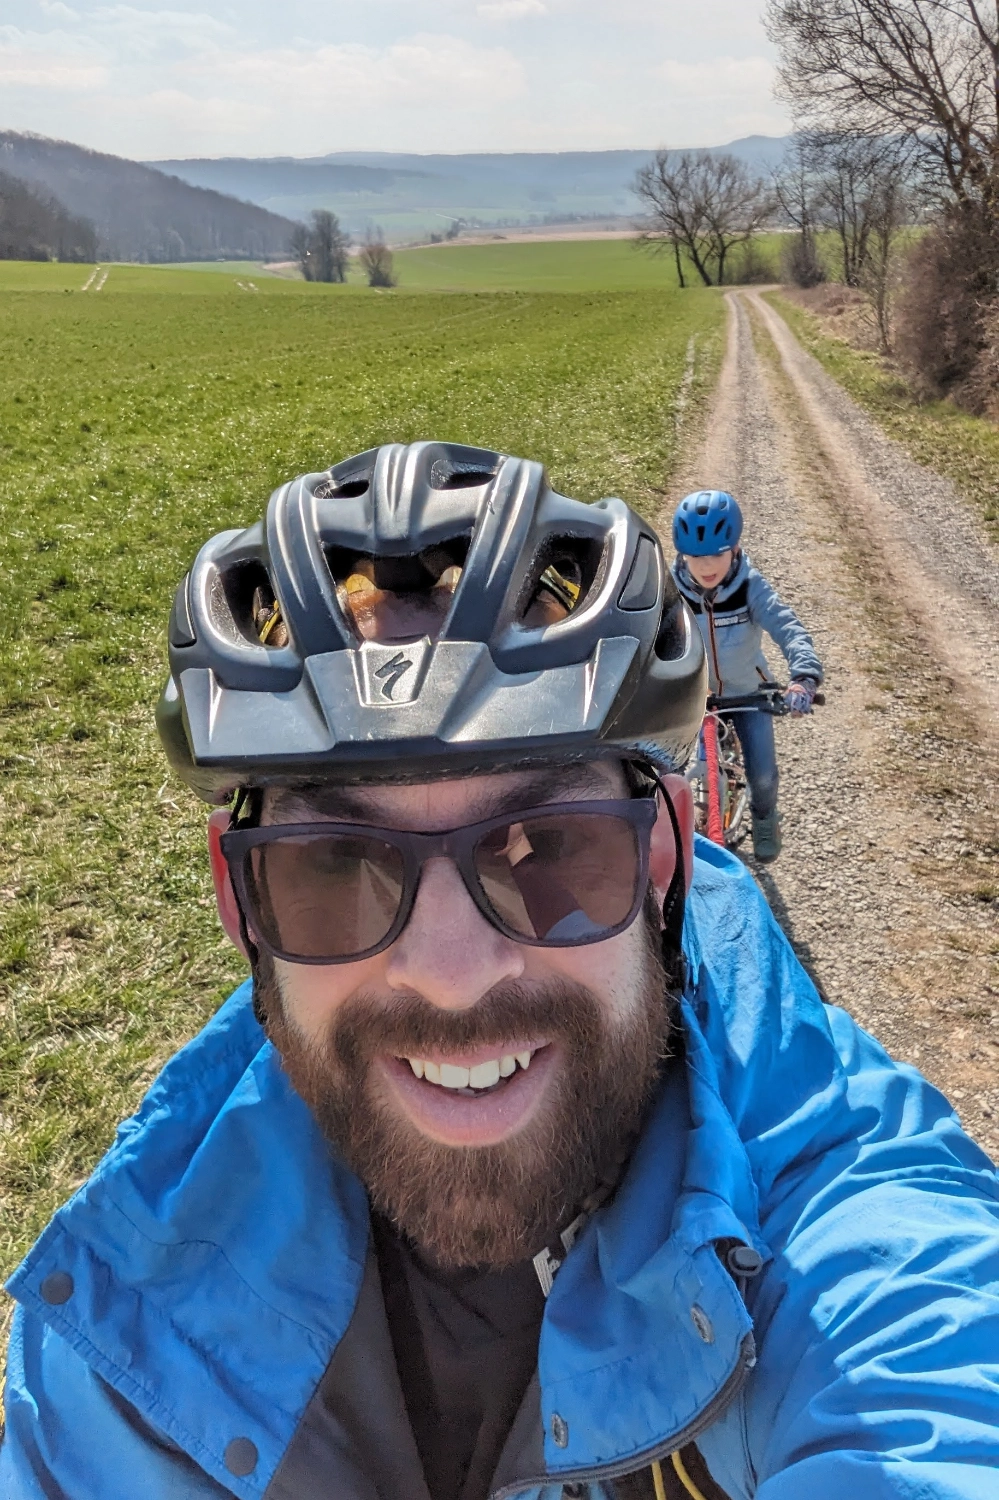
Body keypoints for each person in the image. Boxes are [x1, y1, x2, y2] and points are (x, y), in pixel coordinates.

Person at [3, 442, 997, 1500]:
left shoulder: (844, 1216)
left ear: (662, 860)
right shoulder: (117, 1348)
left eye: (549, 846)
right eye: (335, 864)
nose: (450, 975)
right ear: (240, 903)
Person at [671, 490, 823, 862]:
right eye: (696, 557)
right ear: (682, 554)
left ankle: (765, 816)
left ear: (735, 548)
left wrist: (803, 676)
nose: (707, 567)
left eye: (717, 554)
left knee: (764, 775)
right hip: (692, 696)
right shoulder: (670, 590)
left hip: (748, 694)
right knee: (669, 773)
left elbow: (788, 628)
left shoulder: (751, 588)